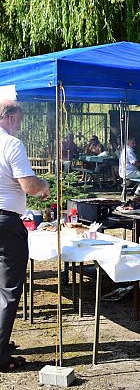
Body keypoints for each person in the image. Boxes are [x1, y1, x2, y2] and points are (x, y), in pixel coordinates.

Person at [0, 100, 50, 372]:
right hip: (5, 221)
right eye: (18, 119)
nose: (20, 125)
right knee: (8, 290)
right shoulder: (10, 144)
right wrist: (44, 186)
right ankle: (0, 355)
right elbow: (28, 185)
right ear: (8, 117)